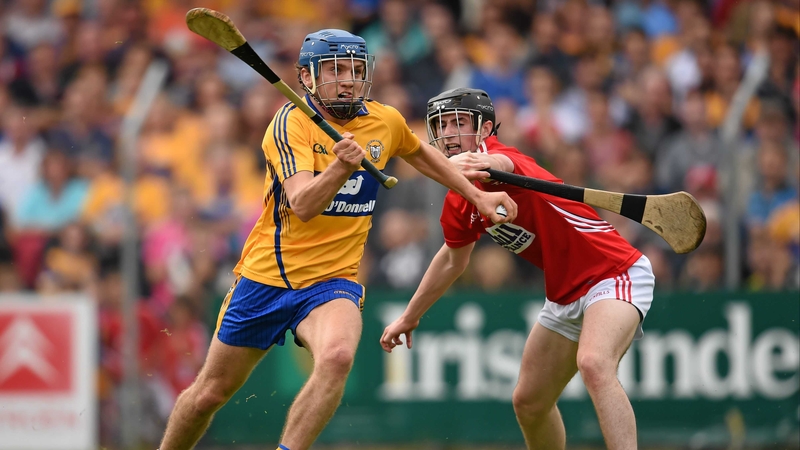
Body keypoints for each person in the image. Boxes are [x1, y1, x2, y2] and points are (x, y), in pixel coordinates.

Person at [157, 32, 516, 450]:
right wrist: (339, 169)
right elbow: (304, 203)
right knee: (209, 394)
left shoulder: (385, 120)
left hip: (332, 281)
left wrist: (476, 194)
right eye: (336, 70)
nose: (348, 79)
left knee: (338, 357)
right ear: (308, 78)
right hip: (266, 279)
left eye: (357, 71)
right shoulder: (288, 124)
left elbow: (421, 154)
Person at [380, 87, 655, 450]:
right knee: (529, 402)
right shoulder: (459, 199)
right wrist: (410, 316)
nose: (447, 133)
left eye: (458, 122)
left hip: (614, 272)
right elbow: (451, 259)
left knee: (593, 363)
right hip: (565, 292)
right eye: (441, 124)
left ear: (485, 129)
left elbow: (492, 166)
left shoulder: (499, 159)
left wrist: (424, 160)